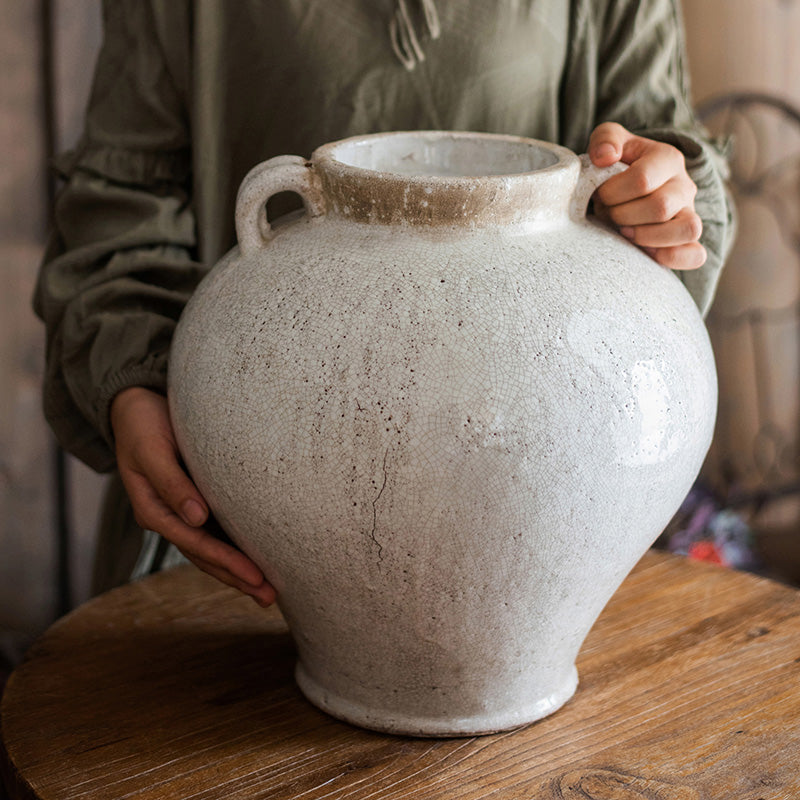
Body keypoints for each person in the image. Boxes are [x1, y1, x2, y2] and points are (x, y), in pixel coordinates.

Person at [35, 0, 735, 607]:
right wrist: (133, 384)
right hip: (241, 514)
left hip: (531, 511)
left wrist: (658, 195)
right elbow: (120, 197)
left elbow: (657, 153)